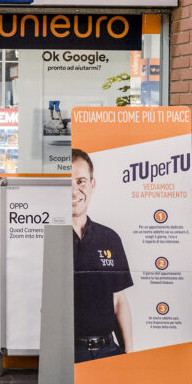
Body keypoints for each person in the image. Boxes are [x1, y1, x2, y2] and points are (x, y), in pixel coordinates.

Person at [72, 148, 133, 363]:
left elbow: (119, 301)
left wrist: (128, 353)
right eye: (66, 183)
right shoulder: (52, 238)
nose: (74, 191)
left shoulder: (109, 238)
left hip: (108, 351)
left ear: (92, 184)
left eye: (81, 181)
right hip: (69, 353)